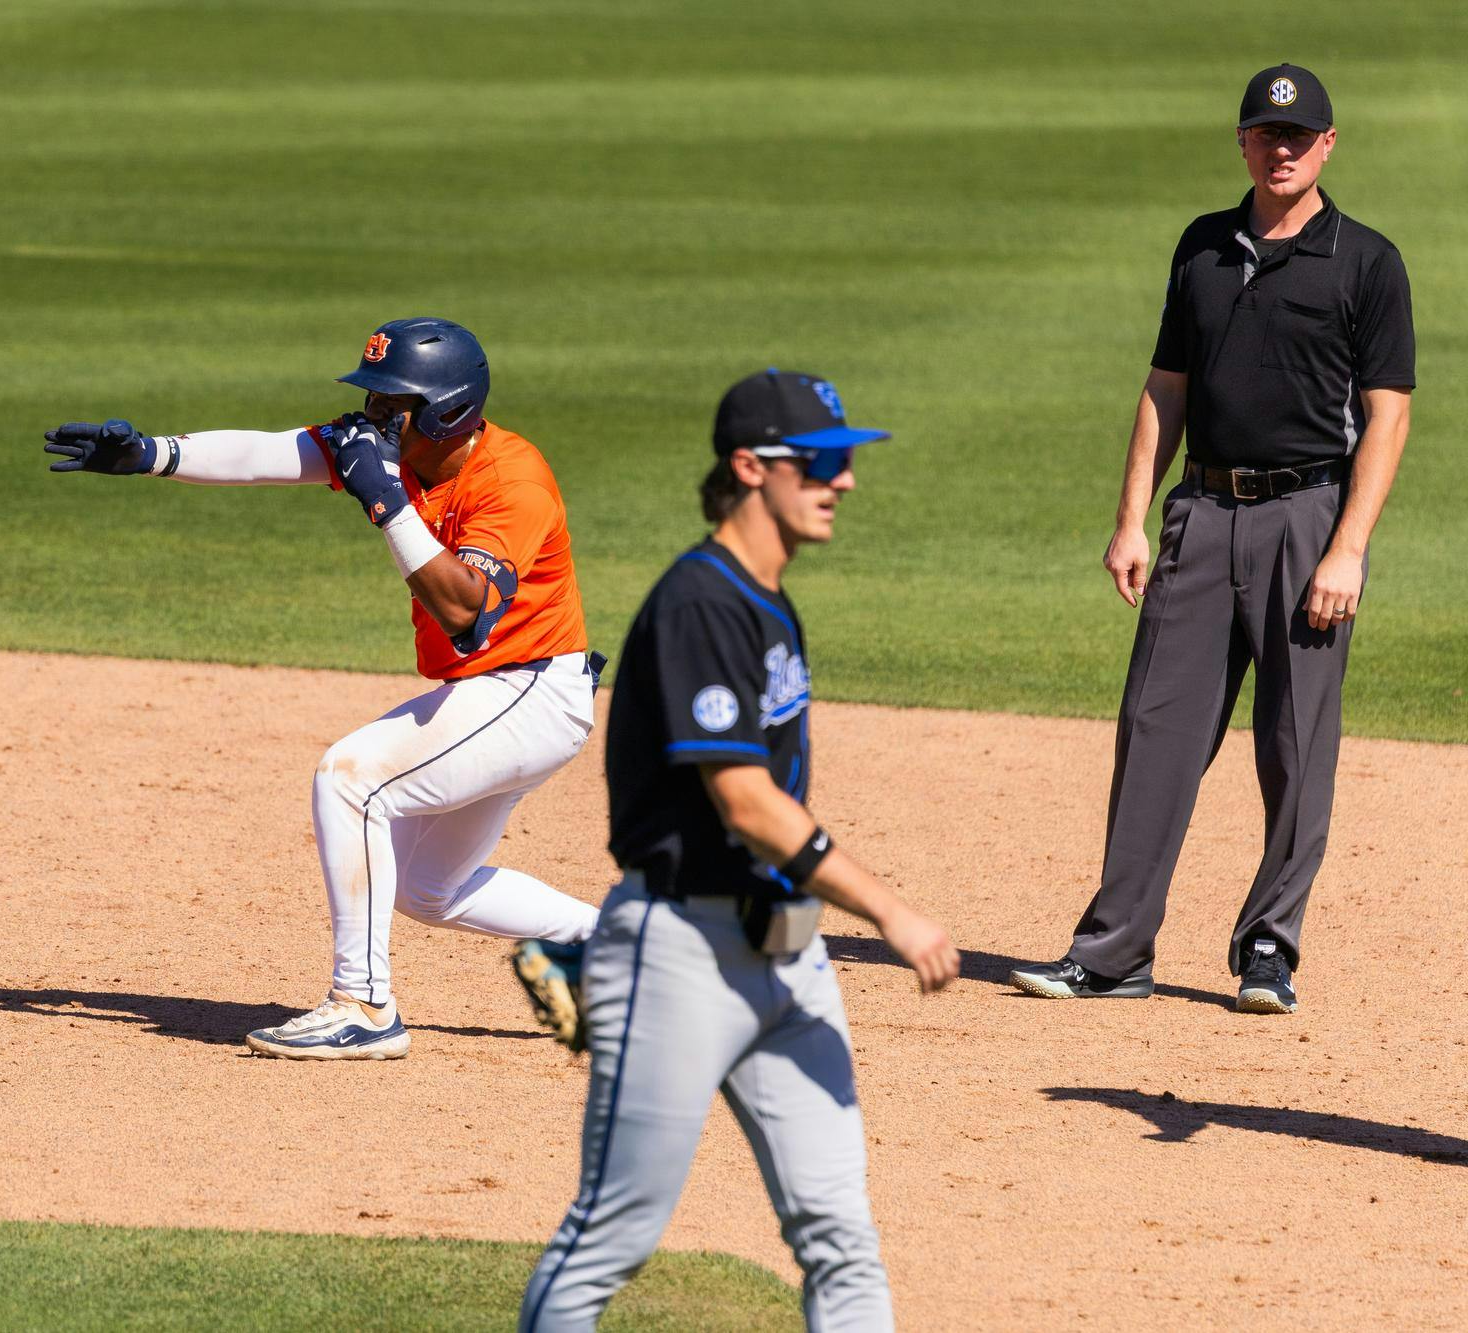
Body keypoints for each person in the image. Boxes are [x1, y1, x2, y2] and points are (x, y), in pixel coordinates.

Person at [513, 369, 959, 1332]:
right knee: (611, 1238)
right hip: (682, 955)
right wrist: (889, 910)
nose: (844, 482)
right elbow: (747, 802)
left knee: (842, 1231)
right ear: (750, 467)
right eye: (823, 463)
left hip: (792, 961)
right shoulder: (699, 604)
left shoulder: (766, 599)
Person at [41, 318, 604, 1059]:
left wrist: (385, 501)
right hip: (492, 691)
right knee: (430, 886)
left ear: (447, 410)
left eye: (391, 404)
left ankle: (364, 1005)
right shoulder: (393, 451)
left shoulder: (512, 481)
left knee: (352, 779)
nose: (373, 418)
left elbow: (465, 609)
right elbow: (267, 453)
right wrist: (153, 453)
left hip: (533, 692)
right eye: (371, 400)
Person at [1011, 64, 1414, 1014]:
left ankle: (1268, 947)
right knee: (1154, 729)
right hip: (1202, 513)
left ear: (1326, 145)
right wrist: (1131, 519)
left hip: (1308, 517)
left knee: (1294, 740)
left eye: (1298, 136)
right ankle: (1113, 952)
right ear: (1242, 141)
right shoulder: (1202, 246)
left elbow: (1387, 416)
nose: (1280, 149)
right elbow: (1166, 389)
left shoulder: (1365, 261)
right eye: (1264, 134)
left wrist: (1348, 545)